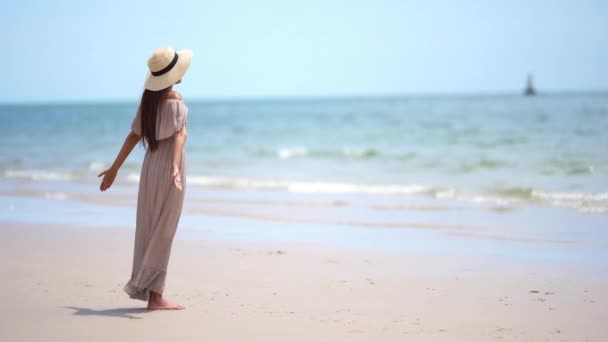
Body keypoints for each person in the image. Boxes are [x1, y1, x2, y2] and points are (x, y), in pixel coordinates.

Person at [98, 47, 193, 310]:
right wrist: (174, 167)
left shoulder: (148, 104)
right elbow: (179, 137)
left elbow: (133, 136)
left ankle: (149, 289)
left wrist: (114, 169)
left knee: (150, 227)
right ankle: (155, 297)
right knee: (165, 230)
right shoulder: (177, 101)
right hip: (170, 167)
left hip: (150, 167)